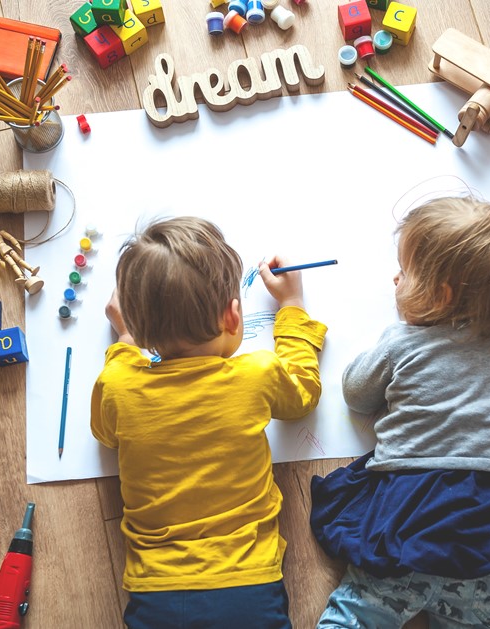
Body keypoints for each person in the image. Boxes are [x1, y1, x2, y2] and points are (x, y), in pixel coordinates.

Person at [310, 196, 490, 629]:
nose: (397, 279)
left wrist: (397, 331)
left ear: (441, 295)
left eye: (407, 274)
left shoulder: (403, 340)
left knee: (360, 610)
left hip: (404, 520)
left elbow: (357, 394)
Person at [91, 216, 327, 629]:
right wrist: (291, 308)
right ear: (233, 316)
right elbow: (303, 392)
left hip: (155, 587)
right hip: (249, 581)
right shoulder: (256, 375)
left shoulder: (118, 385)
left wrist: (125, 341)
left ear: (135, 322)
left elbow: (104, 434)